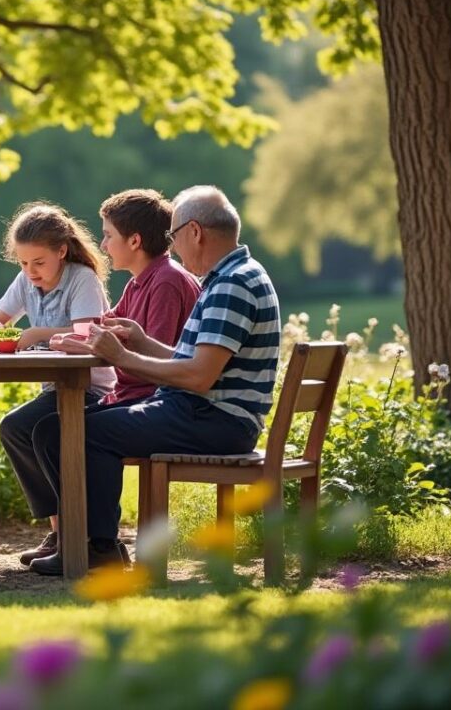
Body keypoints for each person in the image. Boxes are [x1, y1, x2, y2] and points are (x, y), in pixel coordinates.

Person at [27, 185, 280, 575]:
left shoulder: (232, 284)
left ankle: (97, 548)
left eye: (175, 236)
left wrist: (125, 356)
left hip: (214, 418)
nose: (173, 248)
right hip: (206, 411)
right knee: (60, 428)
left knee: (79, 431)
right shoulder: (231, 277)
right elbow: (195, 362)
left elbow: (198, 377)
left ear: (195, 232)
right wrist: (143, 341)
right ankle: (93, 544)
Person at [15, 189, 202, 567]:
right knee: (41, 429)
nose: (102, 244)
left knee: (63, 431)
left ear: (134, 240)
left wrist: (59, 339)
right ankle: (80, 538)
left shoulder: (165, 281)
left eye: (108, 235)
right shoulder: (139, 281)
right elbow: (101, 332)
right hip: (134, 394)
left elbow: (157, 360)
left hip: (156, 398)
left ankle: (95, 545)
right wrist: (69, 338)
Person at [0, 202, 116, 562]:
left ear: (61, 251)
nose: (30, 271)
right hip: (56, 389)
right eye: (23, 263)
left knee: (37, 430)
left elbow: (88, 332)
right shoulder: (26, 281)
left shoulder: (82, 279)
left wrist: (38, 333)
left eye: (38, 262)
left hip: (92, 389)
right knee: (15, 428)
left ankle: (73, 534)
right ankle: (58, 532)